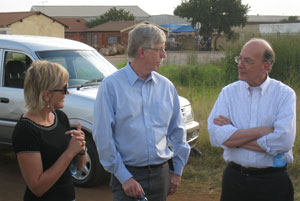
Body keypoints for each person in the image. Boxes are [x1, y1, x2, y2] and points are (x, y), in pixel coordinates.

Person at [93, 24, 190, 201]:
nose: (164, 55)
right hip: (128, 176)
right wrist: (124, 177)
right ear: (141, 52)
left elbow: (178, 131)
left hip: (161, 174)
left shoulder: (166, 86)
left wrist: (177, 170)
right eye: (160, 49)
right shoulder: (111, 86)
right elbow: (103, 137)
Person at [207, 38, 296, 201]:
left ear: (266, 66)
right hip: (235, 181)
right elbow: (215, 136)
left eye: (247, 61)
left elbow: (283, 142)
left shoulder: (284, 94)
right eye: (239, 59)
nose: (240, 65)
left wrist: (233, 138)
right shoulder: (228, 93)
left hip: (273, 183)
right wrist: (261, 131)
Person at [12, 61, 88, 201]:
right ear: (47, 95)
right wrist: (69, 152)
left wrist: (81, 149)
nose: (68, 92)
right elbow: (37, 187)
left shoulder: (60, 117)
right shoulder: (26, 130)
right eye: (64, 88)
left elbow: (78, 168)